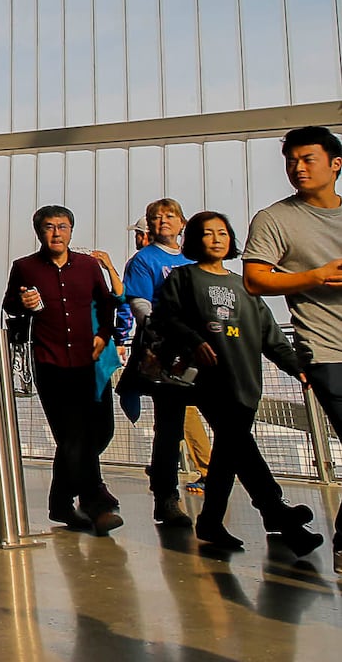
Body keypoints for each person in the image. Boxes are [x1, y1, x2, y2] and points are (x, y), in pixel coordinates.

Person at [154, 211, 323, 557]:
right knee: (237, 446)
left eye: (222, 233)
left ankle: (220, 521)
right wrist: (193, 341)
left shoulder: (245, 286)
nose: (216, 239)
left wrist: (298, 368)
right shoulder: (183, 278)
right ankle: (278, 514)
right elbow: (165, 317)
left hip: (246, 380)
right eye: (207, 233)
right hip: (210, 382)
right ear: (194, 240)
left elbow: (271, 336)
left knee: (233, 452)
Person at [243, 125, 342, 572]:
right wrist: (314, 276)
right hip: (324, 349)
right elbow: (255, 279)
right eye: (291, 161)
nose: (297, 168)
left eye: (308, 160)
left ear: (335, 165)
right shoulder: (275, 219)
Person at [4, 205, 125, 536]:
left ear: (72, 230)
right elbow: (9, 306)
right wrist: (21, 304)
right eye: (49, 227)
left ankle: (59, 501)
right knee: (73, 436)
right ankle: (95, 502)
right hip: (50, 362)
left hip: (87, 362)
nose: (56, 233)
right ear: (39, 232)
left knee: (98, 433)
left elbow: (106, 302)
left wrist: (104, 335)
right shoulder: (25, 267)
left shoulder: (87, 266)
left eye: (62, 226)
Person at [120, 199, 209, 526]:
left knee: (225, 422)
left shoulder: (193, 259)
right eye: (156, 218)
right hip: (170, 353)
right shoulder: (144, 261)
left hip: (203, 350)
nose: (162, 221)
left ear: (182, 222)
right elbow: (140, 302)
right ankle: (166, 496)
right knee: (169, 427)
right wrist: (159, 332)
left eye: (169, 216)